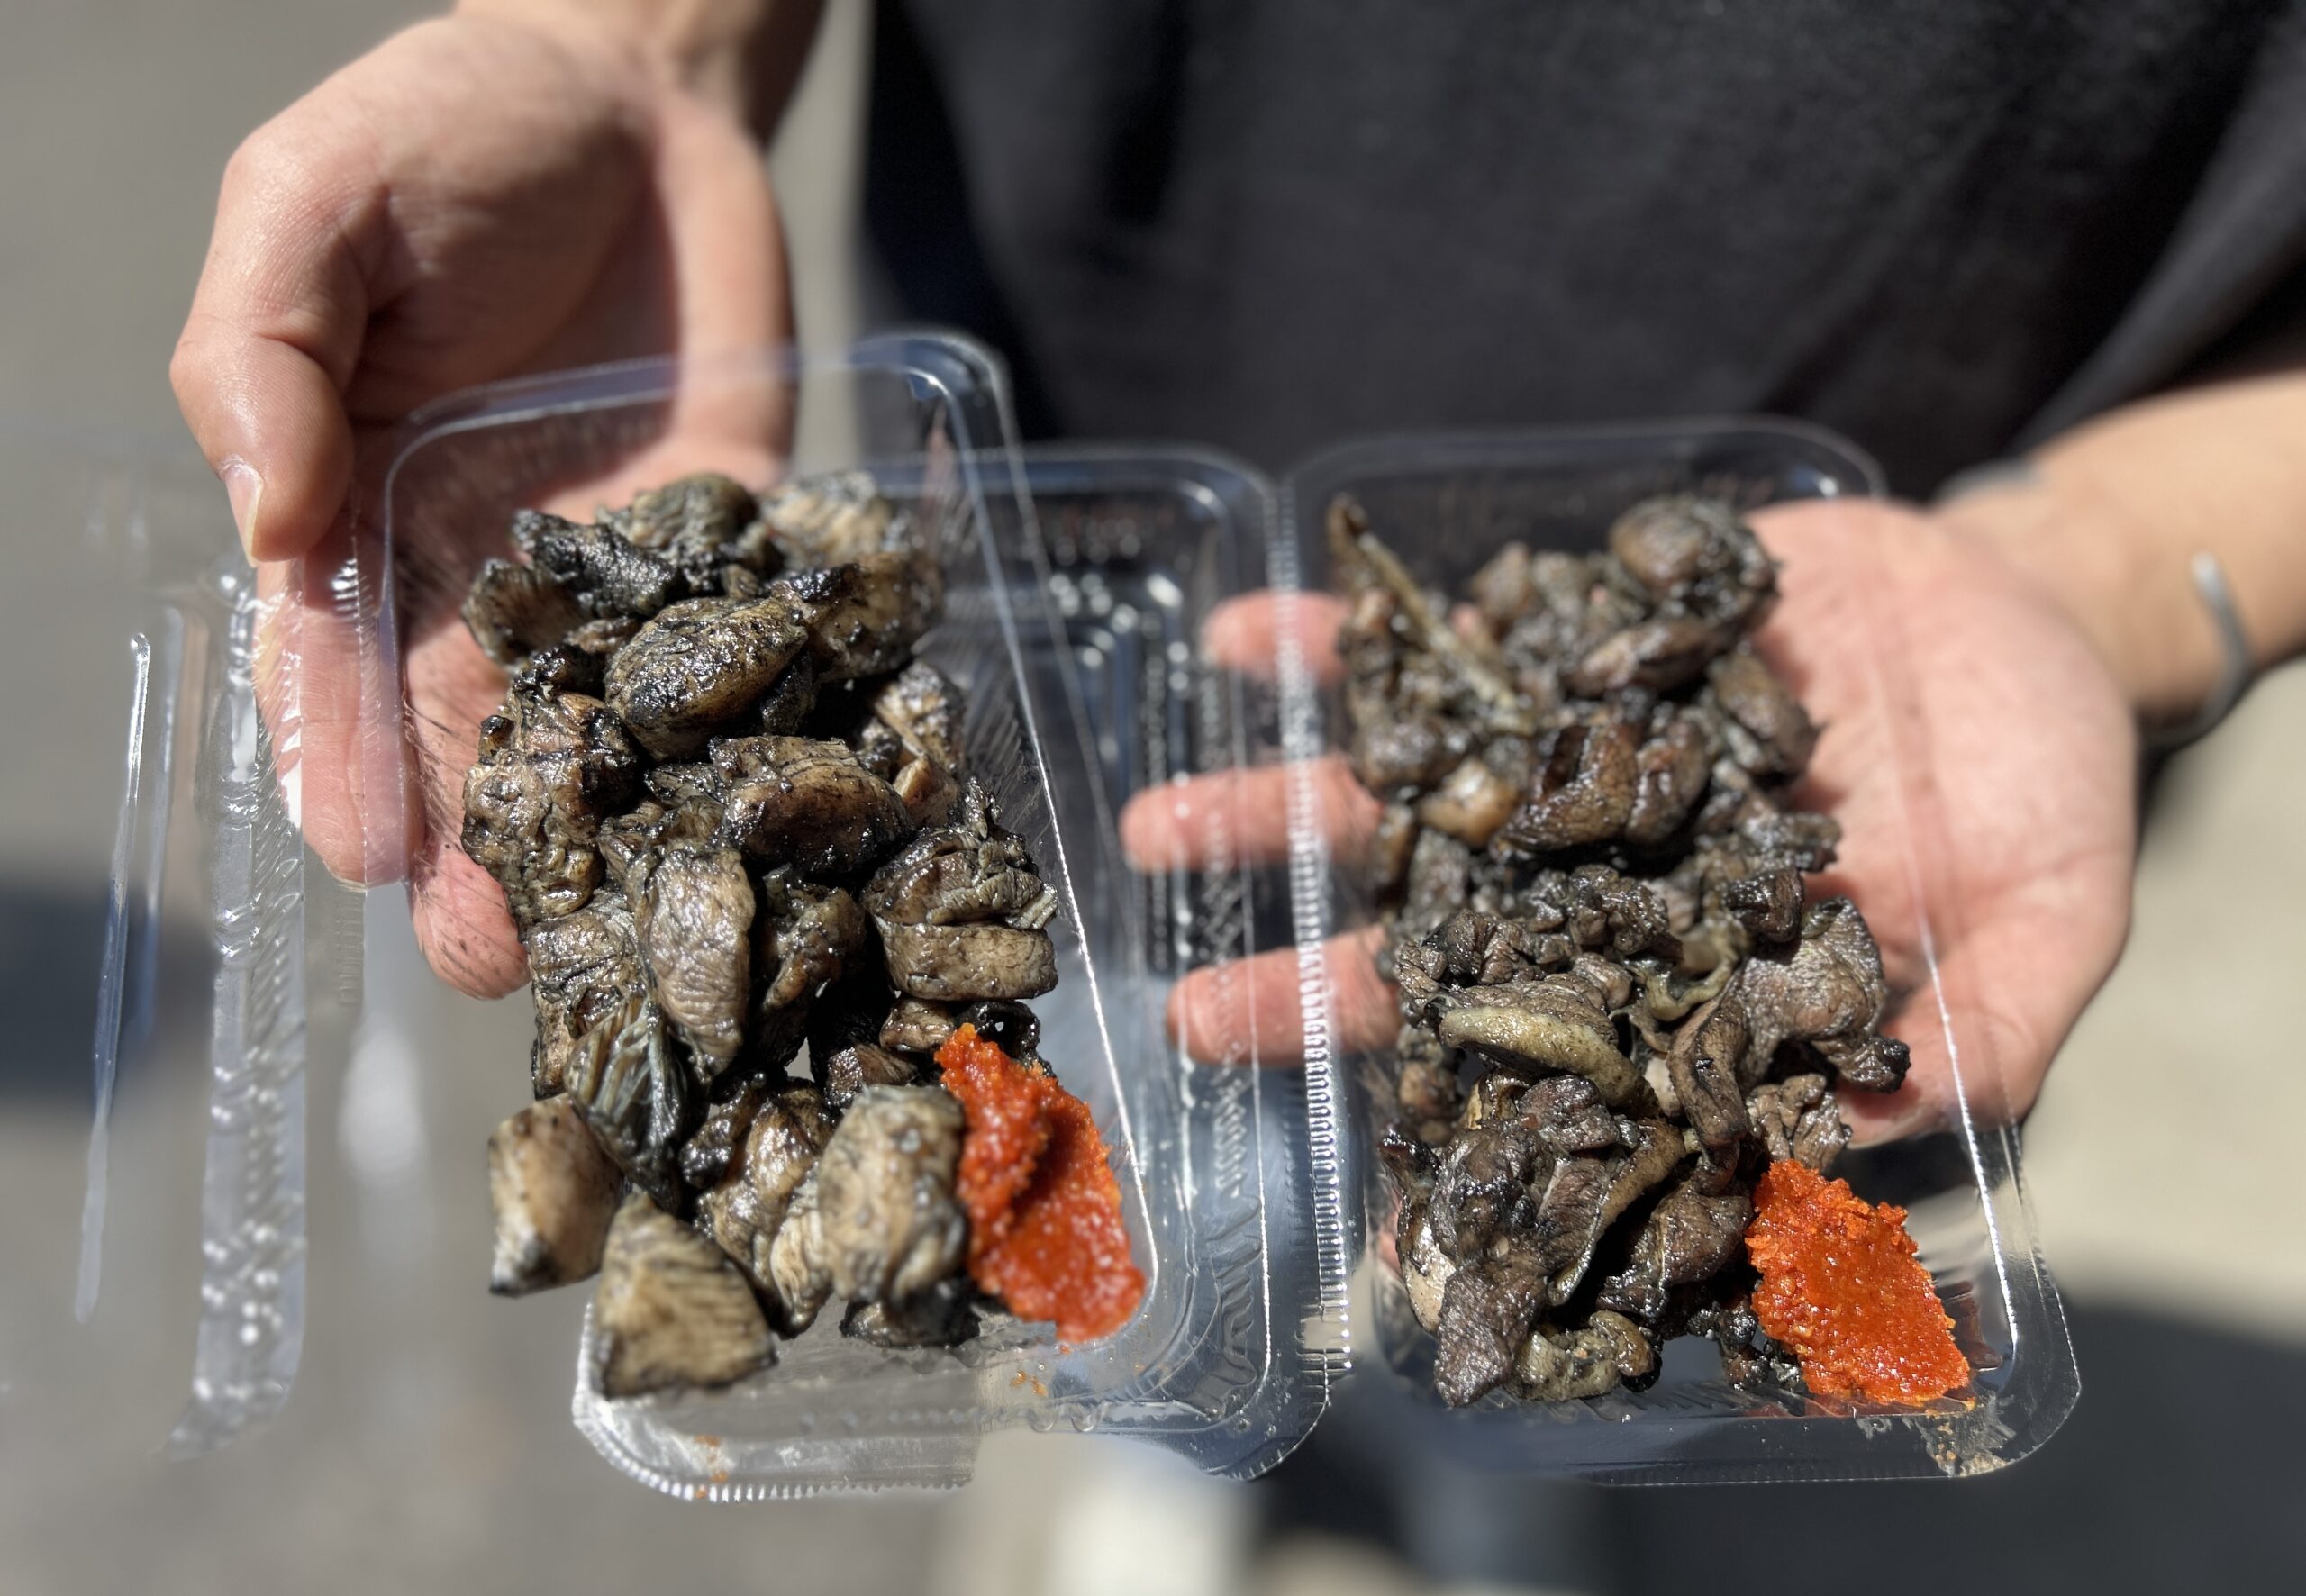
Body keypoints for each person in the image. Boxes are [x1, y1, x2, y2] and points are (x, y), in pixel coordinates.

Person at [170, 0, 2306, 1135]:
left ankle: (1474, 1425)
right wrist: (637, 42)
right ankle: (1187, 1442)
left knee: (1635, 1189)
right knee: (1116, 1079)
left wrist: (2101, 566)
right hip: (1049, 506)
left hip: (1889, 663)